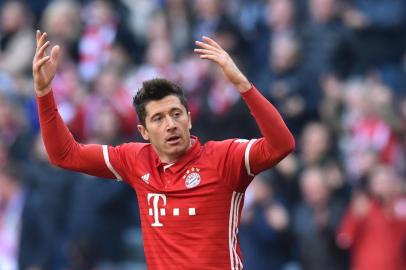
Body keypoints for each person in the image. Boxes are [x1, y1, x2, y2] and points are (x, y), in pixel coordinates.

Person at [32, 30, 295, 269]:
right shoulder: (135, 159)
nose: (171, 124)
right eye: (158, 118)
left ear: (189, 119)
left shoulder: (225, 158)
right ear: (143, 132)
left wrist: (243, 86)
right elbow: (64, 155)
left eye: (176, 114)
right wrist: (44, 93)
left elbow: (282, 145)